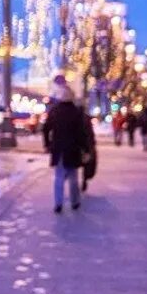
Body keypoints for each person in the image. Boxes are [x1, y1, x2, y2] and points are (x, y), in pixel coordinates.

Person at [42, 84, 93, 214]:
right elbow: (82, 133)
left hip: (58, 149)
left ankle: (58, 203)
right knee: (73, 178)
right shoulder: (76, 112)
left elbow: (46, 129)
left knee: (58, 177)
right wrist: (86, 149)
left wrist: (47, 144)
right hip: (73, 150)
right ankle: (74, 202)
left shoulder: (54, 111)